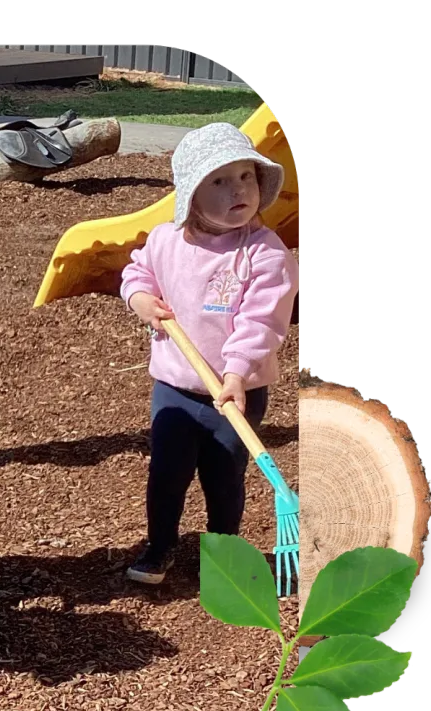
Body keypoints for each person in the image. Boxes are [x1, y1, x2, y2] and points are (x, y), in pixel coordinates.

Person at [120, 121, 301, 585]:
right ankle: (159, 548)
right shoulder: (166, 241)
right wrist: (140, 300)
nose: (237, 189)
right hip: (175, 387)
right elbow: (138, 273)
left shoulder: (266, 255)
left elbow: (260, 322)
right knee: (166, 475)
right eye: (219, 181)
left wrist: (237, 374)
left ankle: (224, 560)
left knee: (224, 478)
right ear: (192, 197)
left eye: (245, 177)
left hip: (237, 392)